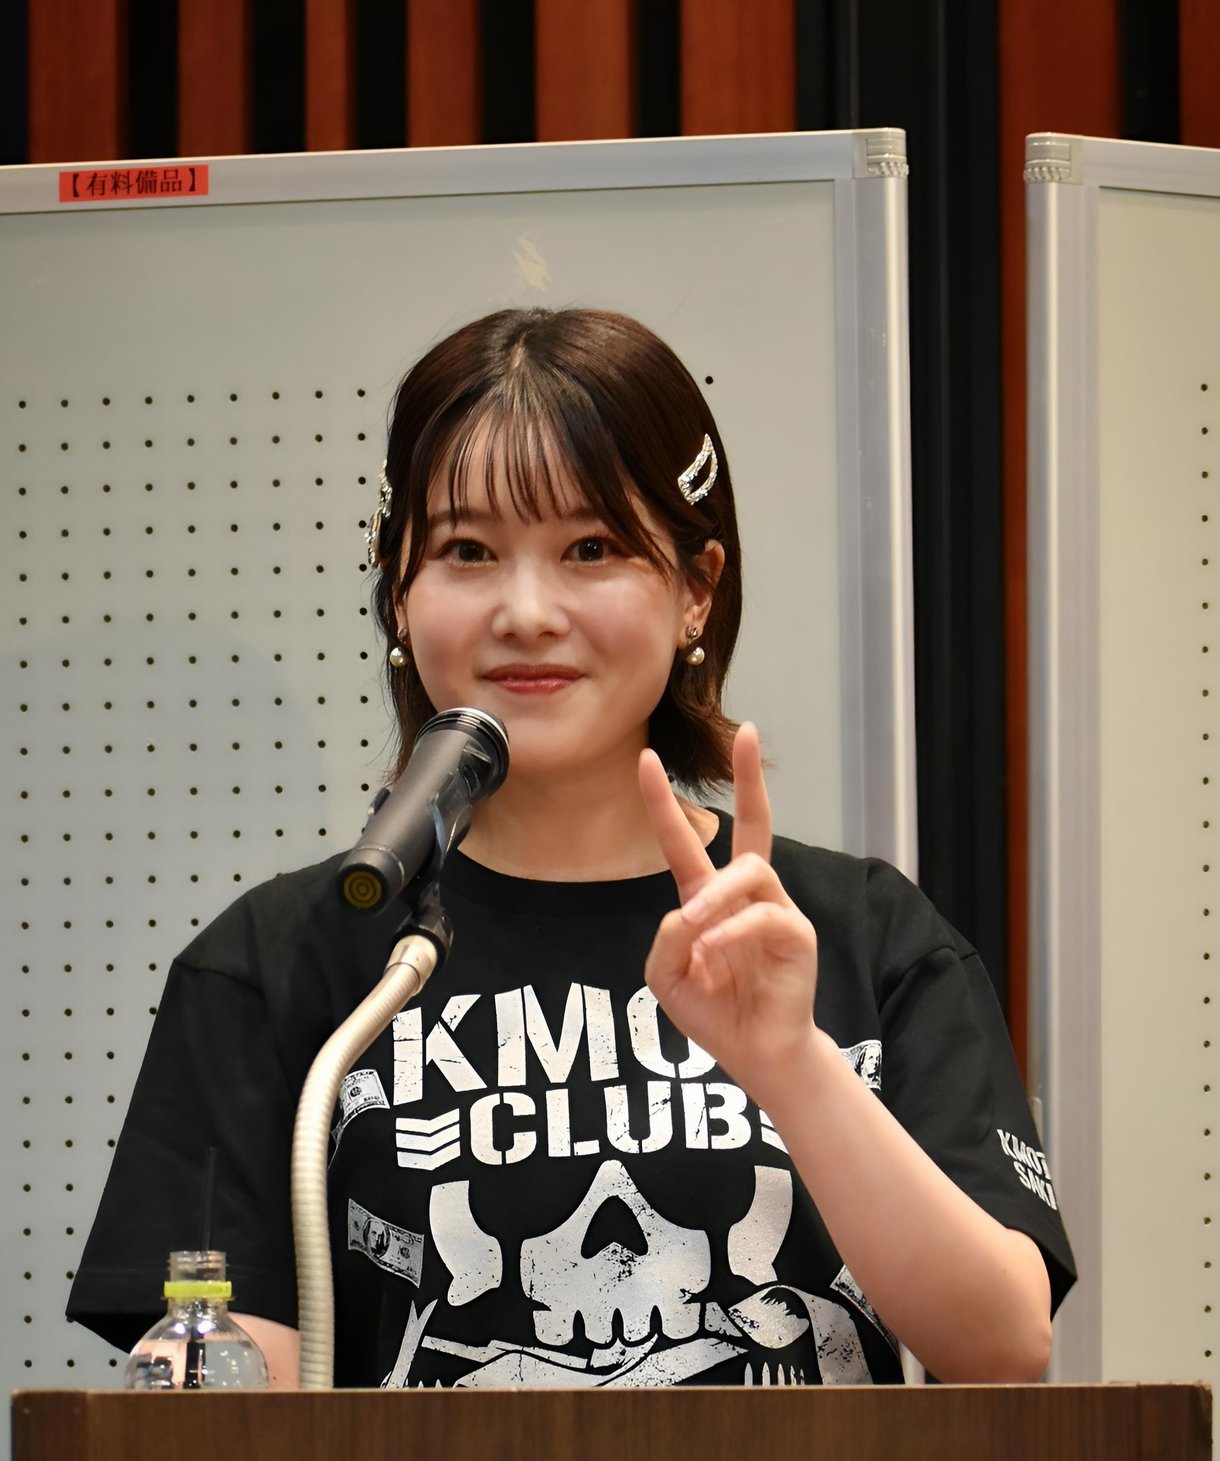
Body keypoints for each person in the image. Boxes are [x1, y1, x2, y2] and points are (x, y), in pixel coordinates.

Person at [68, 307, 1074, 1390]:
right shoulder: (276, 963)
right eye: (466, 551)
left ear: (695, 590)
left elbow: (1001, 1347)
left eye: (590, 549)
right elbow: (225, 1413)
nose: (526, 611)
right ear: (399, 592)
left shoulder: (862, 937)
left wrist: (791, 1064)